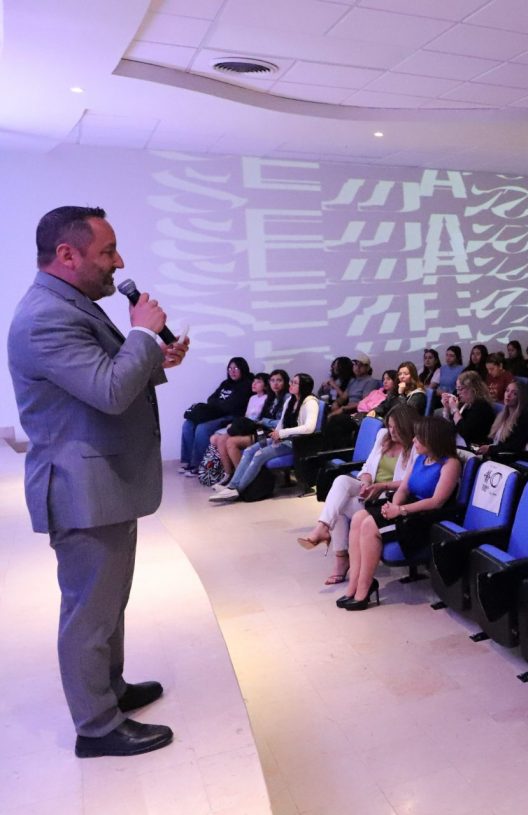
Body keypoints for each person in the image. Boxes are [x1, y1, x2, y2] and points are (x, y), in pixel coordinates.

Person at [8, 205, 190, 757]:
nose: (119, 261)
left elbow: (102, 376)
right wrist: (142, 335)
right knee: (88, 614)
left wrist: (155, 356)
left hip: (103, 483)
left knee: (109, 603)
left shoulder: (71, 304)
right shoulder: (45, 317)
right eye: (108, 251)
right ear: (67, 254)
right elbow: (110, 392)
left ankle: (111, 689)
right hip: (81, 488)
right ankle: (96, 727)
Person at [340, 416, 462, 610]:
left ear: (433, 439)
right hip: (406, 510)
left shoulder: (451, 464)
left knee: (369, 525)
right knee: (358, 517)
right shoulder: (421, 458)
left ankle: (364, 587)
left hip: (425, 518)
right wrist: (393, 506)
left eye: (418, 437)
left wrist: (401, 510)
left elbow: (436, 502)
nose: (413, 440)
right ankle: (353, 584)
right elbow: (403, 489)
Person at [297, 406, 418, 585]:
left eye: (396, 427)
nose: (392, 431)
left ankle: (340, 557)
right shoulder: (383, 436)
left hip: (388, 497)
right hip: (370, 489)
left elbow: (411, 483)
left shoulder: (416, 446)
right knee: (341, 481)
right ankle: (323, 527)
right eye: (390, 426)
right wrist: (366, 482)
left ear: (407, 427)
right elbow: (367, 467)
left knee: (339, 506)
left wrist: (381, 486)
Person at [209, 373, 320, 501]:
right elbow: (282, 422)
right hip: (283, 438)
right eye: (291, 381)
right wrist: (276, 434)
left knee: (259, 454)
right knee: (249, 451)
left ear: (303, 386)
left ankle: (237, 490)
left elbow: (309, 428)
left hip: (297, 442)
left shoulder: (310, 402)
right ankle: (232, 486)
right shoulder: (291, 400)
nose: (291, 384)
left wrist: (282, 433)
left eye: (295, 383)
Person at [179, 356, 252, 475]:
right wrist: (220, 405)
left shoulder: (246, 384)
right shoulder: (225, 383)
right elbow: (211, 399)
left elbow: (232, 406)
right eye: (230, 368)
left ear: (243, 369)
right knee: (187, 424)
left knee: (202, 428)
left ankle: (198, 465)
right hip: (216, 414)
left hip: (231, 417)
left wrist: (218, 404)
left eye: (236, 368)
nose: (232, 371)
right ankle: (188, 462)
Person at [476, 380, 528, 460]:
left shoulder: (524, 417)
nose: (508, 395)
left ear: (521, 398)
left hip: (505, 459)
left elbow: (515, 446)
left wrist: (490, 449)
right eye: (507, 391)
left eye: (514, 393)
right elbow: (492, 440)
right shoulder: (502, 415)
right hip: (493, 455)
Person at [440, 370, 496, 447]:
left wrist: (455, 410)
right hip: (463, 443)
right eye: (457, 389)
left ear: (472, 388)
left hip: (474, 447)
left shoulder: (481, 406)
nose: (458, 393)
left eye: (460, 389)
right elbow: (452, 427)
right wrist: (447, 408)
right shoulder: (467, 404)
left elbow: (464, 432)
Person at [329, 353, 381, 417]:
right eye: (356, 364)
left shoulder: (371, 382)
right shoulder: (353, 380)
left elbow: (364, 403)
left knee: (333, 418)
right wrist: (336, 403)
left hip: (358, 413)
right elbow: (343, 397)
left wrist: (343, 408)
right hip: (347, 411)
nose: (357, 367)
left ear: (367, 368)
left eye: (361, 365)